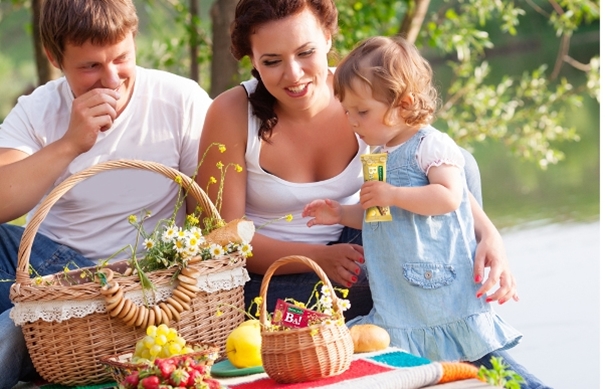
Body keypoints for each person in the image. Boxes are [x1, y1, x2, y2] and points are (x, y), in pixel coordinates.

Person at [196, 0, 517, 324]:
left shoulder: (358, 91)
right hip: (277, 280)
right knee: (375, 282)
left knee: (463, 162)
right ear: (253, 60)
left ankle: (462, 321)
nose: (293, 74)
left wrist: (489, 234)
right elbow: (222, 237)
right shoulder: (232, 113)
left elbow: (434, 158)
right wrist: (318, 257)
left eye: (305, 52)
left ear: (327, 39)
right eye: (272, 61)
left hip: (358, 242)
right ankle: (420, 310)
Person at [302, 36, 550, 389]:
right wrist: (341, 214)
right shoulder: (378, 153)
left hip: (439, 290)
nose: (352, 121)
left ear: (403, 104)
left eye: (362, 112)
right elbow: (379, 218)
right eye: (347, 111)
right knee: (411, 371)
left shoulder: (430, 144)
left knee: (488, 364)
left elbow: (449, 197)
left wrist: (393, 192)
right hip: (398, 298)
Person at [0, 0, 212, 386]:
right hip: (57, 279)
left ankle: (36, 338)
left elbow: (212, 216)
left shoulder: (180, 100)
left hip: (145, 286)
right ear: (55, 57)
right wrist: (70, 144)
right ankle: (41, 335)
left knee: (16, 326)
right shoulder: (38, 110)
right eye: (90, 67)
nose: (112, 79)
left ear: (134, 38)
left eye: (121, 58)